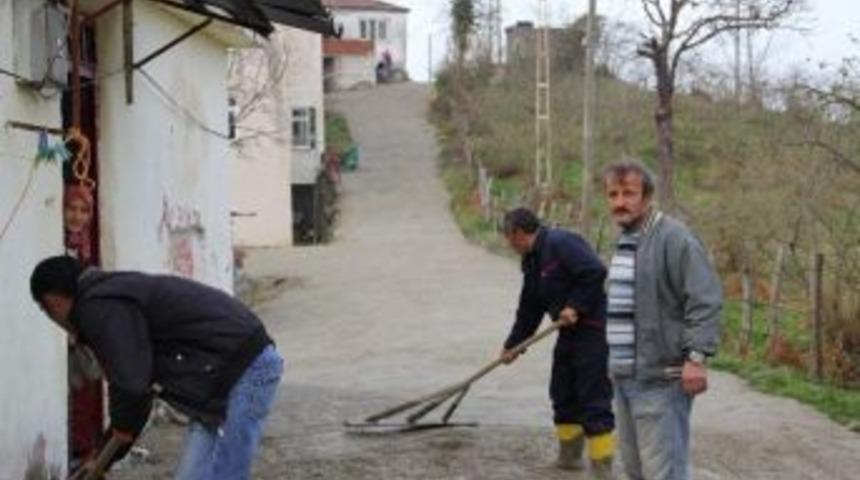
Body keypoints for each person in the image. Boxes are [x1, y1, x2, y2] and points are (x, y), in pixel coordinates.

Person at [30, 256, 284, 480]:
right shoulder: (106, 297)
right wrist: (106, 452)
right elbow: (138, 386)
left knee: (228, 473)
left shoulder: (99, 307)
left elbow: (131, 386)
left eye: (46, 311)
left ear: (53, 303)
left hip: (248, 366)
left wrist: (108, 452)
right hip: (215, 381)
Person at [603, 160, 722, 480]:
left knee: (663, 472)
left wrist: (697, 358)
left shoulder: (674, 238)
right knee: (637, 471)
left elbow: (705, 300)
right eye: (613, 194)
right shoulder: (625, 239)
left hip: (660, 380)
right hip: (625, 379)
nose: (619, 202)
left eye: (629, 193)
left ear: (647, 196)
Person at [499, 207, 615, 475]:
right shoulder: (531, 260)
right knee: (563, 393)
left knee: (593, 401)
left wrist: (575, 306)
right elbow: (529, 308)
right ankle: (569, 460)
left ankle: (602, 471)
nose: (508, 243)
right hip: (568, 334)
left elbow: (595, 271)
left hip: (593, 330)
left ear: (517, 233)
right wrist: (514, 345)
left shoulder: (560, 243)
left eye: (508, 237)